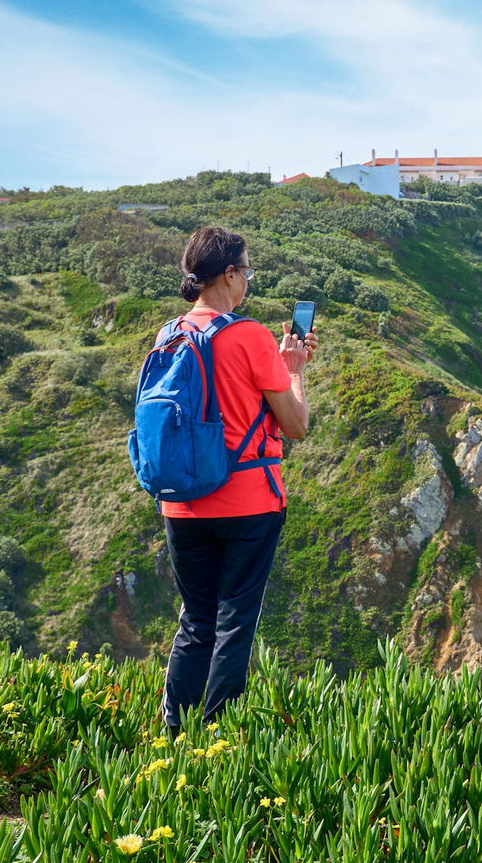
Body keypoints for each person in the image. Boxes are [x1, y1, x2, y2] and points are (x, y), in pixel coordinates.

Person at [156, 226, 318, 733]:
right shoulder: (249, 335)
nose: (247, 281)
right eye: (246, 271)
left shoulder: (169, 333)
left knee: (196, 620)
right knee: (234, 622)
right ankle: (218, 740)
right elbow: (295, 425)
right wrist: (294, 368)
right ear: (228, 274)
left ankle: (174, 734)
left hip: (181, 503)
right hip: (248, 501)